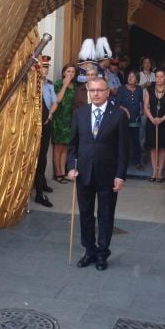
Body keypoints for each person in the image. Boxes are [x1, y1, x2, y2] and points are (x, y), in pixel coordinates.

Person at [67, 78, 129, 271]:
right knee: (85, 214)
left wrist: (120, 175)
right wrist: (71, 167)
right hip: (84, 173)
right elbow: (72, 145)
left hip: (108, 175)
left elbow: (123, 149)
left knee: (105, 215)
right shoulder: (80, 113)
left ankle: (102, 253)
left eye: (99, 90)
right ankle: (89, 251)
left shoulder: (118, 115)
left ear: (107, 92)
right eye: (92, 90)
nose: (95, 94)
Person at [33, 55, 57, 208]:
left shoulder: (49, 85)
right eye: (43, 67)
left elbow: (54, 102)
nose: (46, 70)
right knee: (37, 158)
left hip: (47, 122)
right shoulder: (33, 85)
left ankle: (41, 186)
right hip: (35, 126)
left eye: (47, 67)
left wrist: (50, 114)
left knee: (43, 155)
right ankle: (39, 193)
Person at [144, 68, 165, 182]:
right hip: (152, 122)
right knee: (153, 148)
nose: (159, 79)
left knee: (162, 147)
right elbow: (146, 107)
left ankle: (160, 172)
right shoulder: (149, 90)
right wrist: (152, 119)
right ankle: (154, 171)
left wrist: (161, 119)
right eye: (157, 76)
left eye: (161, 77)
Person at [51, 63, 77, 183]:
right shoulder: (58, 84)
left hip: (70, 119)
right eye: (68, 71)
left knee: (66, 147)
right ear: (63, 73)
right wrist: (65, 85)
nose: (70, 74)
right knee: (58, 146)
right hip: (59, 118)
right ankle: (58, 173)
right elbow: (58, 100)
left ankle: (63, 171)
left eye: (72, 72)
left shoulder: (75, 86)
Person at [117, 69, 144, 170]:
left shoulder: (139, 89)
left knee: (136, 141)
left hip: (135, 119)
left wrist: (141, 110)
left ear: (137, 79)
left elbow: (141, 102)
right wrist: (125, 110)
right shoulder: (121, 89)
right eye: (129, 76)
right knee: (124, 141)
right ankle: (123, 162)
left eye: (132, 77)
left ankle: (137, 162)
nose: (130, 78)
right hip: (123, 119)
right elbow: (117, 103)